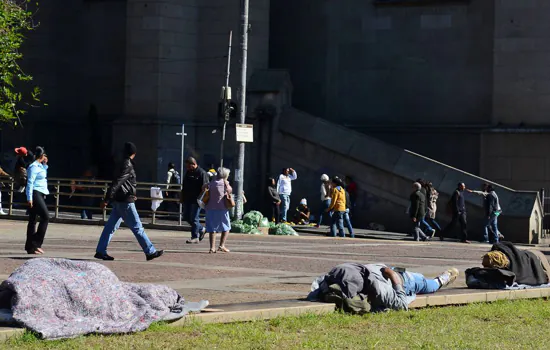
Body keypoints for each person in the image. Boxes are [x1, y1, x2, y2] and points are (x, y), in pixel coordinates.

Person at [95, 142, 163, 261]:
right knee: (137, 227)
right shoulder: (127, 164)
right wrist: (107, 198)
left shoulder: (121, 163)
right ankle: (150, 251)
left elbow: (122, 183)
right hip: (125, 202)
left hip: (120, 199)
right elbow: (118, 182)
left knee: (110, 227)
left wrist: (112, 197)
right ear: (134, 153)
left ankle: (101, 250)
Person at [310, 262, 459, 312]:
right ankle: (442, 279)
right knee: (427, 284)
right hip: (392, 275)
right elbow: (401, 304)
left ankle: (443, 278)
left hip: (405, 279)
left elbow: (401, 305)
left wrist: (394, 277)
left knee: (430, 285)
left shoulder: (378, 287)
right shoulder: (341, 271)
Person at [25, 146, 50, 255]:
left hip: (41, 192)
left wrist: (45, 164)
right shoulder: (33, 167)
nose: (46, 157)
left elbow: (44, 175)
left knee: (33, 220)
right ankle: (35, 243)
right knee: (45, 216)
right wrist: (29, 198)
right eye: (45, 155)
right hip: (35, 193)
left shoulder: (41, 166)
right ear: (41, 155)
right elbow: (30, 183)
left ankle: (30, 247)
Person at [204, 167, 233, 253]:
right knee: (226, 227)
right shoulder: (225, 184)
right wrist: (227, 184)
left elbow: (203, 187)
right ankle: (221, 245)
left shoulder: (211, 183)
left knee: (212, 229)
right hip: (222, 208)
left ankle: (212, 248)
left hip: (210, 208)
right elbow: (230, 191)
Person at [181, 157, 209, 244]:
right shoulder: (188, 172)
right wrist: (182, 197)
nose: (188, 168)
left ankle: (195, 237)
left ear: (194, 164)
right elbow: (184, 185)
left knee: (194, 218)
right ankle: (201, 229)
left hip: (196, 200)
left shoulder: (202, 173)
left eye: (189, 166)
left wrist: (201, 198)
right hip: (187, 198)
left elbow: (206, 187)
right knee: (186, 217)